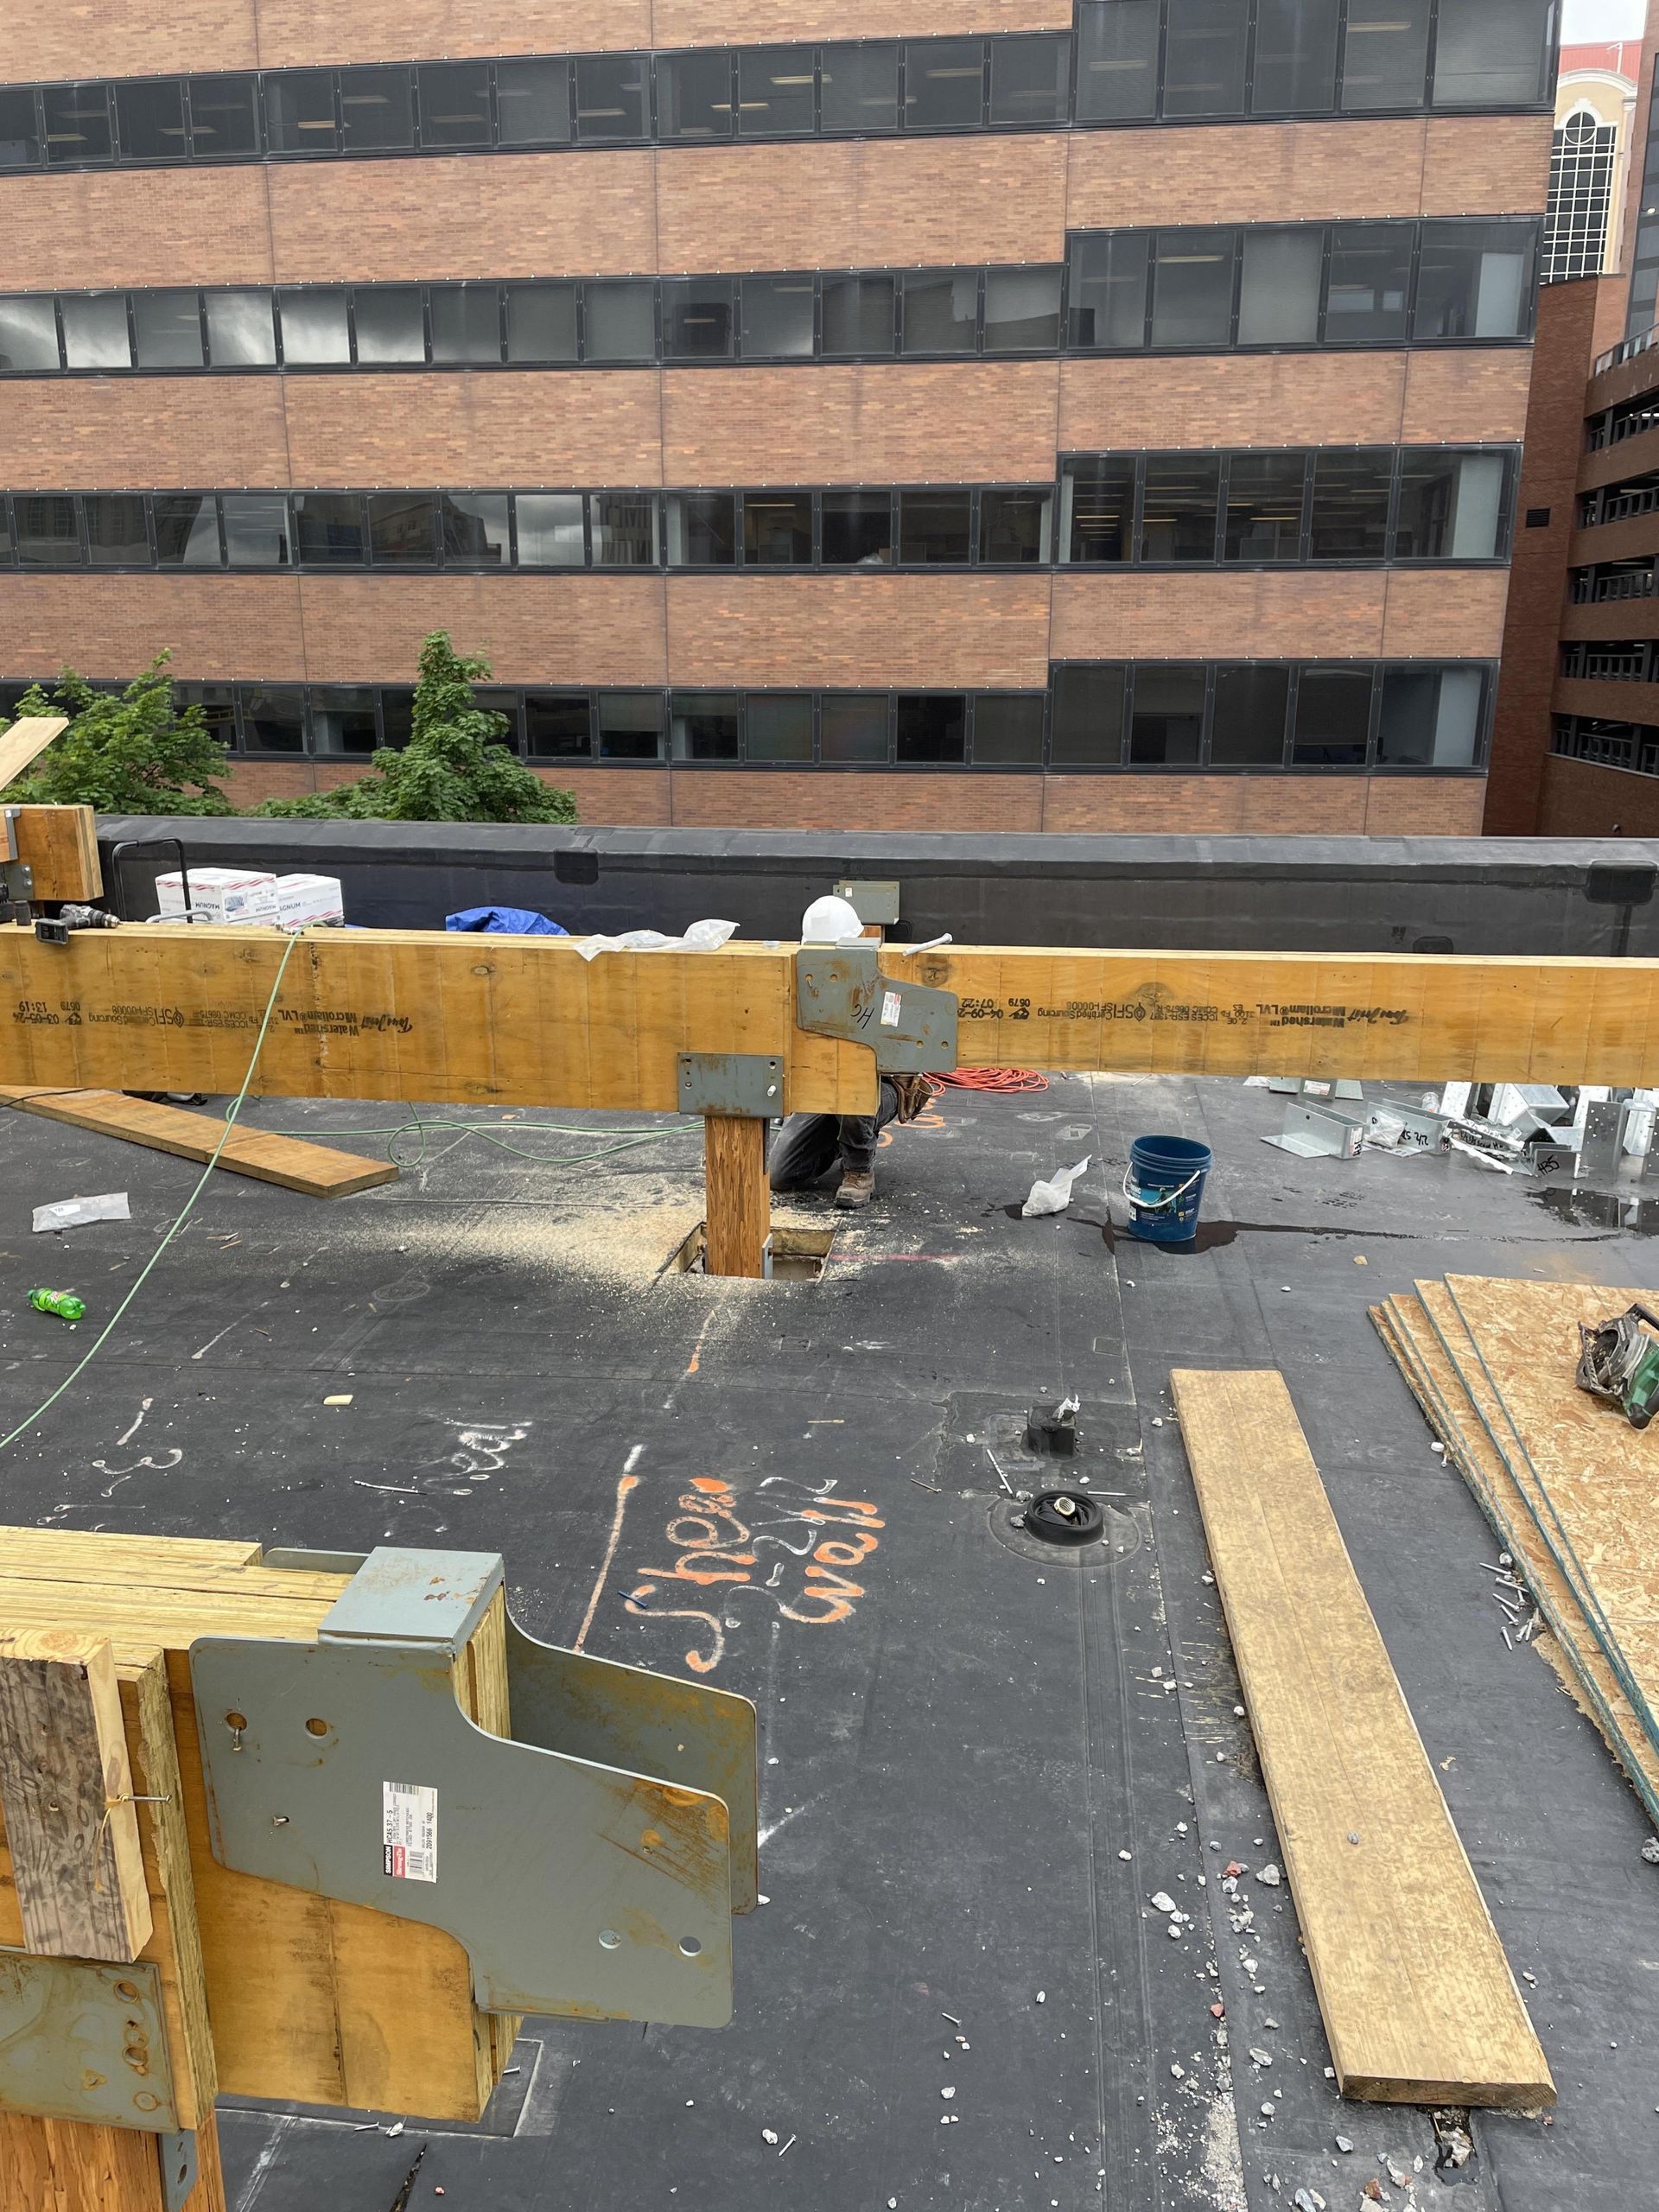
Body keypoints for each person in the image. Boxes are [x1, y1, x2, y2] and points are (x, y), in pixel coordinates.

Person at [768, 1073, 936, 1209]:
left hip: (882, 1085)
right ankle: (847, 1137)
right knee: (781, 1174)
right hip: (824, 1083)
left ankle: (860, 1172)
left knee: (853, 1092)